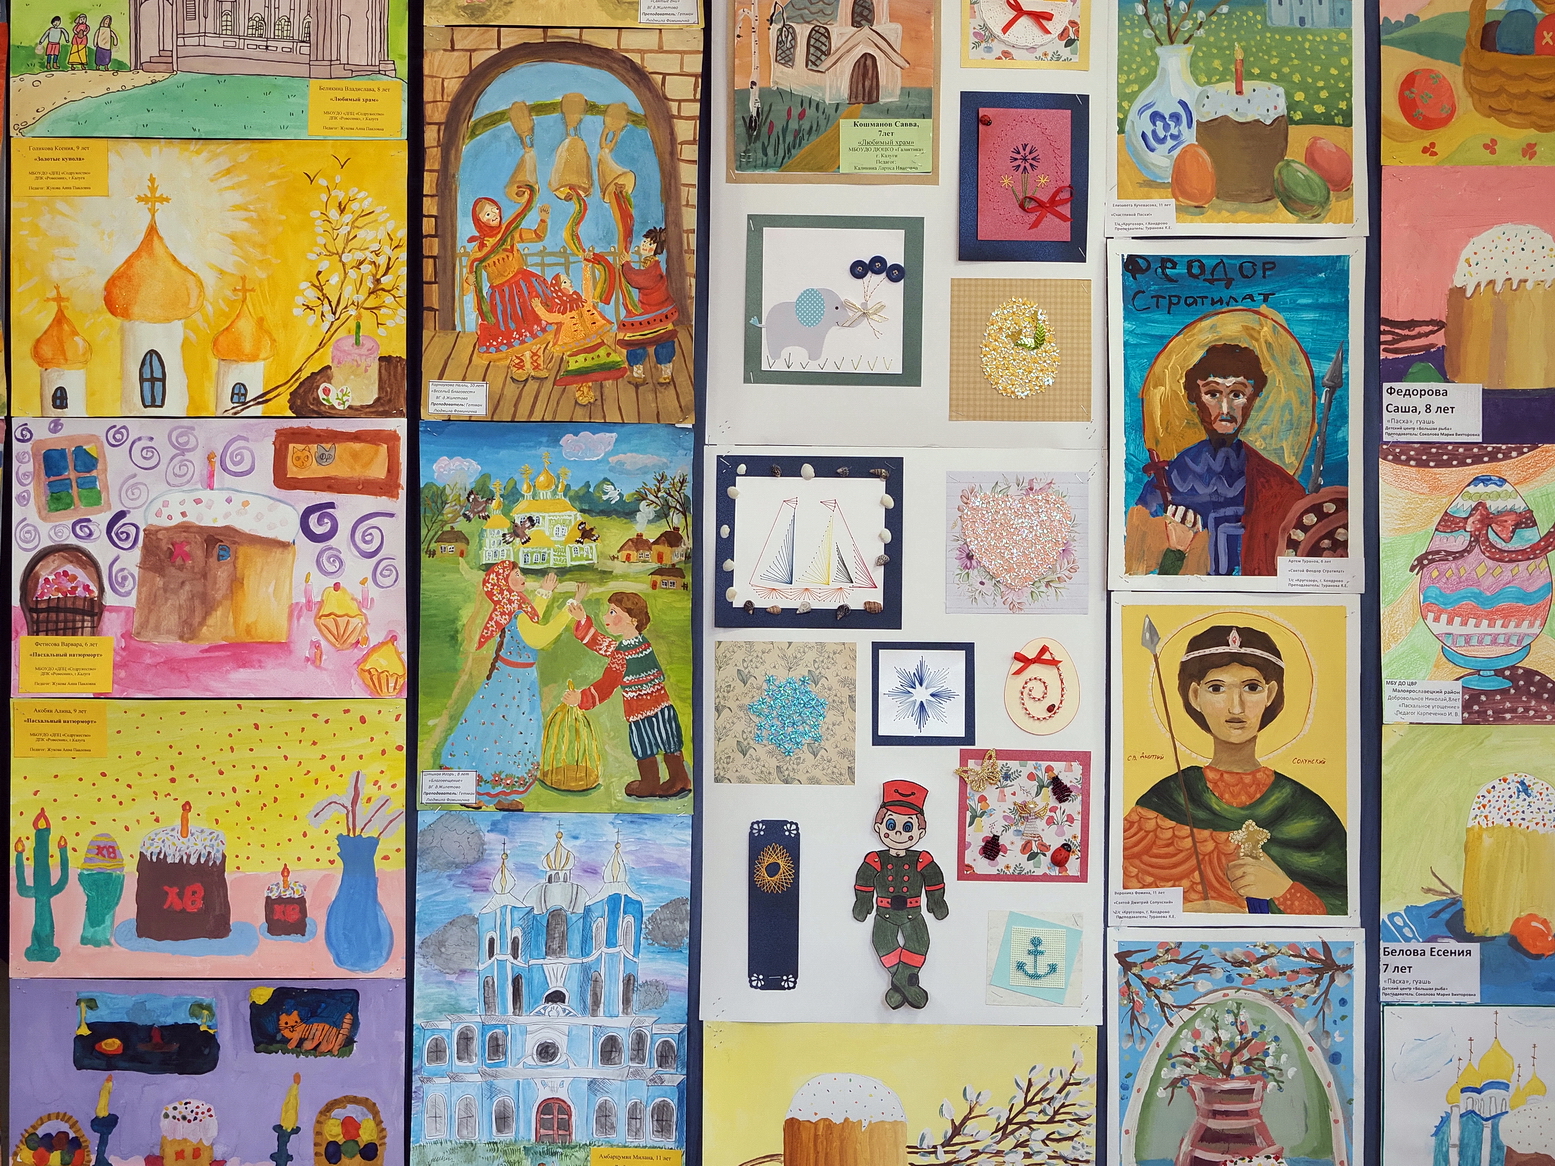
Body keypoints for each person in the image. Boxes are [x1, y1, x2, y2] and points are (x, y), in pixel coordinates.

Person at [1121, 625, 1347, 915]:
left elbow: (1344, 908)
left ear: (1271, 693)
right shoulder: (1165, 802)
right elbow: (1126, 904)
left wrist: (1284, 890)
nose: (1236, 707)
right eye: (1217, 688)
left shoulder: (1306, 811)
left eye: (1251, 688)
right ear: (1195, 696)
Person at [1127, 342, 1307, 577]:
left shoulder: (1276, 486)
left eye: (1237, 395)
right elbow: (1138, 568)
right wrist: (1175, 547)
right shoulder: (1170, 479)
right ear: (1195, 397)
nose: (1225, 409)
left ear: (1253, 399)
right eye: (1213, 394)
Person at [439, 564, 570, 810]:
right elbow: (538, 637)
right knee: (503, 732)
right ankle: (475, 792)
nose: (522, 577)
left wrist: (544, 593)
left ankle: (501, 793)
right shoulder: (515, 610)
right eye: (516, 574)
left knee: (509, 734)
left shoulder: (514, 604)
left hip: (518, 678)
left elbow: (531, 620)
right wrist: (567, 613)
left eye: (520, 573)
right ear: (504, 583)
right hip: (511, 682)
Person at [561, 586, 689, 798]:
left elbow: (606, 685)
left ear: (633, 620)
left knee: (647, 745)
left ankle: (653, 784)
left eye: (613, 612)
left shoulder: (623, 653)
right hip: (661, 706)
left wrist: (580, 698)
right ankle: (677, 779)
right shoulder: (640, 643)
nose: (606, 617)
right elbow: (606, 646)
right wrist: (583, 620)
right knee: (667, 740)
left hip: (640, 711)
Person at [852, 781, 949, 1010]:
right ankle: (908, 983)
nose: (898, 833)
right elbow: (864, 880)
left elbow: (933, 878)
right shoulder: (875, 859)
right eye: (891, 824)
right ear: (879, 827)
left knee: (919, 943)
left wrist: (936, 900)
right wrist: (863, 902)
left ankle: (900, 984)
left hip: (913, 913)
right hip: (884, 913)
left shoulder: (922, 859)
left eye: (907, 827)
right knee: (882, 943)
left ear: (920, 832)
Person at [465, 196, 555, 380]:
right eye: (487, 214)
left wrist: (543, 220)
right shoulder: (479, 249)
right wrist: (468, 280)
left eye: (495, 210)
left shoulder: (509, 233)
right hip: (501, 296)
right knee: (511, 328)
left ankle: (537, 363)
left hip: (523, 287)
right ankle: (519, 365)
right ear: (479, 220)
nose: (494, 215)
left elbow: (537, 235)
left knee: (534, 323)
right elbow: (470, 274)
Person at [530, 270, 627, 407]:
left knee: (592, 367)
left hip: (592, 339)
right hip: (574, 345)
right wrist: (538, 307)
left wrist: (586, 268)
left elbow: (587, 288)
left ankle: (588, 391)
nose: (569, 283)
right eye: (565, 282)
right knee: (580, 370)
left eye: (568, 280)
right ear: (558, 290)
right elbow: (550, 317)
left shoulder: (581, 301)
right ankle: (582, 393)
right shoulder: (561, 309)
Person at [617, 227, 681, 386]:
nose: (645, 245)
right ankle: (640, 374)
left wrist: (626, 265)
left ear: (656, 248)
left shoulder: (654, 267)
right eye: (645, 242)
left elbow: (638, 280)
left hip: (656, 310)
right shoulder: (649, 264)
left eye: (650, 244)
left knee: (656, 341)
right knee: (640, 341)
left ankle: (665, 372)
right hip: (650, 310)